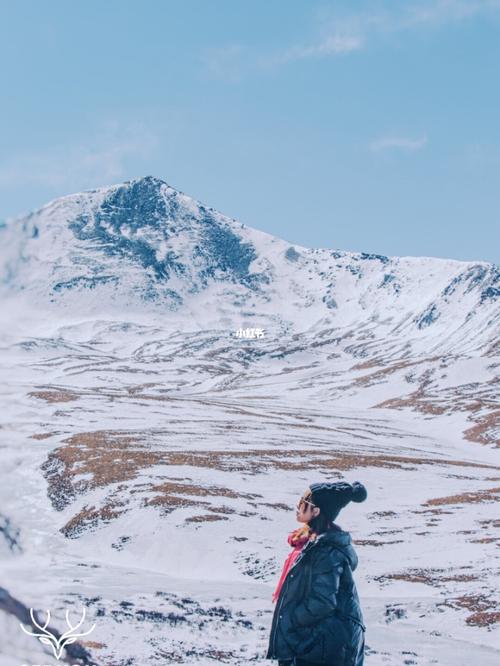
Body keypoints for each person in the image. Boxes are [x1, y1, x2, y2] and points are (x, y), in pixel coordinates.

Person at [266, 481, 367, 665]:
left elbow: (323, 602)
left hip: (326, 645)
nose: (297, 507)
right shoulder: (309, 543)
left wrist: (292, 619)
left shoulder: (326, 551)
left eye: (304, 503)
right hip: (318, 640)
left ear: (316, 512)